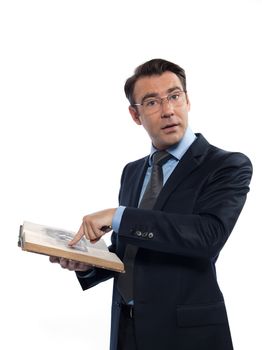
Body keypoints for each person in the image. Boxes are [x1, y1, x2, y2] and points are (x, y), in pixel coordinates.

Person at [50, 58, 252, 350]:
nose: (168, 110)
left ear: (187, 100)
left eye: (174, 96)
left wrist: (119, 215)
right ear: (135, 115)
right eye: (152, 102)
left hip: (186, 335)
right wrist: (87, 265)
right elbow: (132, 250)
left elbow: (208, 236)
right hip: (126, 329)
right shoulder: (132, 172)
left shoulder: (226, 165)